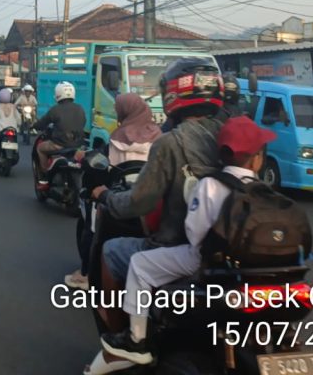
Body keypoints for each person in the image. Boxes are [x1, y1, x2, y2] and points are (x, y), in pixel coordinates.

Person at [98, 116, 276, 365]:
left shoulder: (209, 185)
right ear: (257, 159)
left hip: (203, 262)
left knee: (139, 265)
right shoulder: (262, 189)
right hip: (249, 267)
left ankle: (136, 339)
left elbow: (194, 232)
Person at [92, 57, 226, 313]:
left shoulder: (169, 142)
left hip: (180, 243)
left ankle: (123, 333)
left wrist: (107, 197)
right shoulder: (230, 135)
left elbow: (138, 201)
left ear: (173, 94)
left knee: (111, 250)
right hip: (230, 247)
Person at [65, 92, 161, 291]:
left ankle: (87, 273)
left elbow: (101, 165)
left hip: (117, 197)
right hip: (152, 201)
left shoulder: (118, 138)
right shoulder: (159, 137)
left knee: (91, 220)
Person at [32, 81, 86, 183]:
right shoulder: (80, 108)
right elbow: (83, 122)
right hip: (78, 145)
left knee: (40, 148)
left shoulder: (55, 110)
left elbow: (42, 123)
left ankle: (44, 175)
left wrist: (34, 125)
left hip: (59, 145)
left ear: (58, 94)